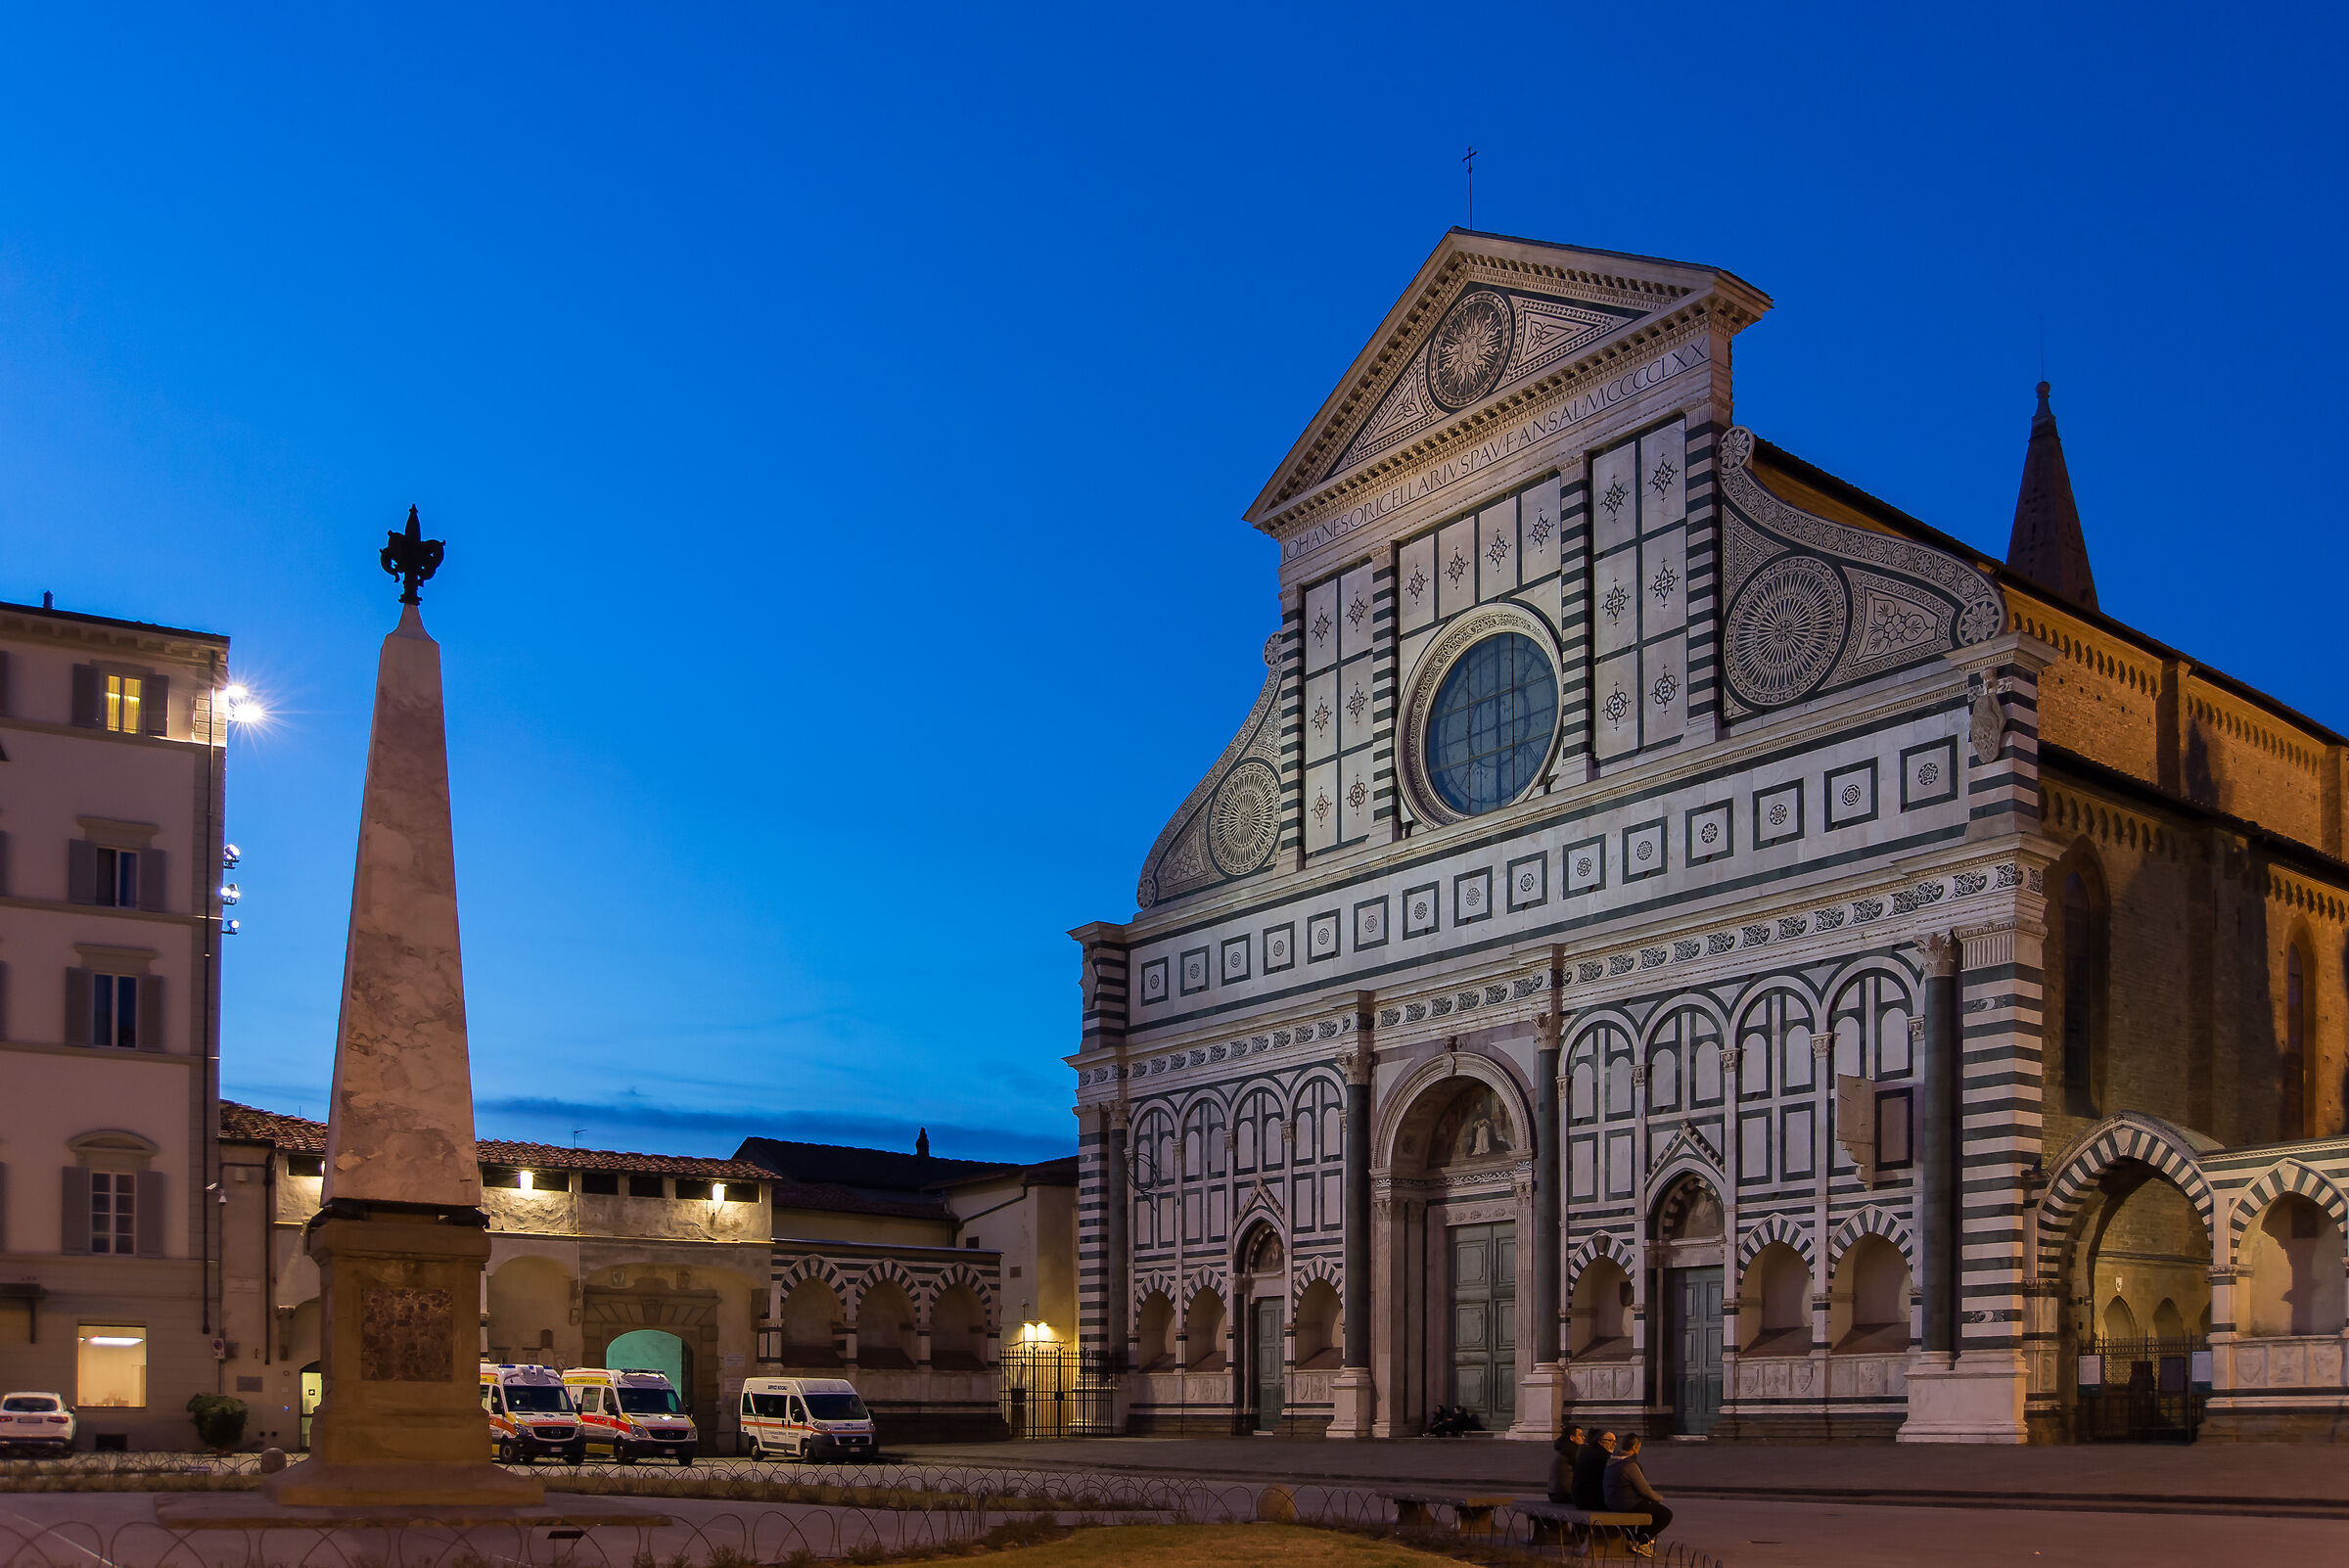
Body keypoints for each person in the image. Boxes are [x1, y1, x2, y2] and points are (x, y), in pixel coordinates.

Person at [1602, 1433, 1673, 1555]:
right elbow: (1644, 1489)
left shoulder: (1613, 1460)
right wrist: (1657, 1498)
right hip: (1626, 1503)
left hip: (1612, 1502)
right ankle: (1643, 1542)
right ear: (1635, 1447)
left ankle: (1634, 1539)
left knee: (1647, 1507)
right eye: (1639, 1446)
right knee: (1665, 1514)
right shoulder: (1629, 1465)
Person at [1571, 1428, 1614, 1510]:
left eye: (1615, 1441)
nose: (1614, 1444)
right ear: (1600, 1441)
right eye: (1610, 1441)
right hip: (1591, 1501)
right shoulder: (1602, 1456)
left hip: (1580, 1499)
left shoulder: (1587, 1452)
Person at [1547, 1425, 1587, 1503]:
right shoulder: (1571, 1450)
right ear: (1572, 1438)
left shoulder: (1563, 1447)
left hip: (1554, 1493)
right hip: (1564, 1494)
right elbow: (1584, 1469)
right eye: (1580, 1435)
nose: (1583, 1438)